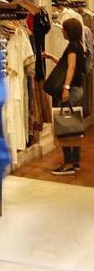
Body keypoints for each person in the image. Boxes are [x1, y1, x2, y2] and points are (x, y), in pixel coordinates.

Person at [44, 18, 86, 176]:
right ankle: (75, 162)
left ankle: (68, 165)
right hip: (77, 89)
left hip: (72, 89)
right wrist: (50, 57)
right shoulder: (78, 45)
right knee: (73, 126)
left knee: (65, 127)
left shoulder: (72, 46)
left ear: (69, 31)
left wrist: (66, 88)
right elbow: (66, 65)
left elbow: (71, 67)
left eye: (64, 28)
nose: (62, 31)